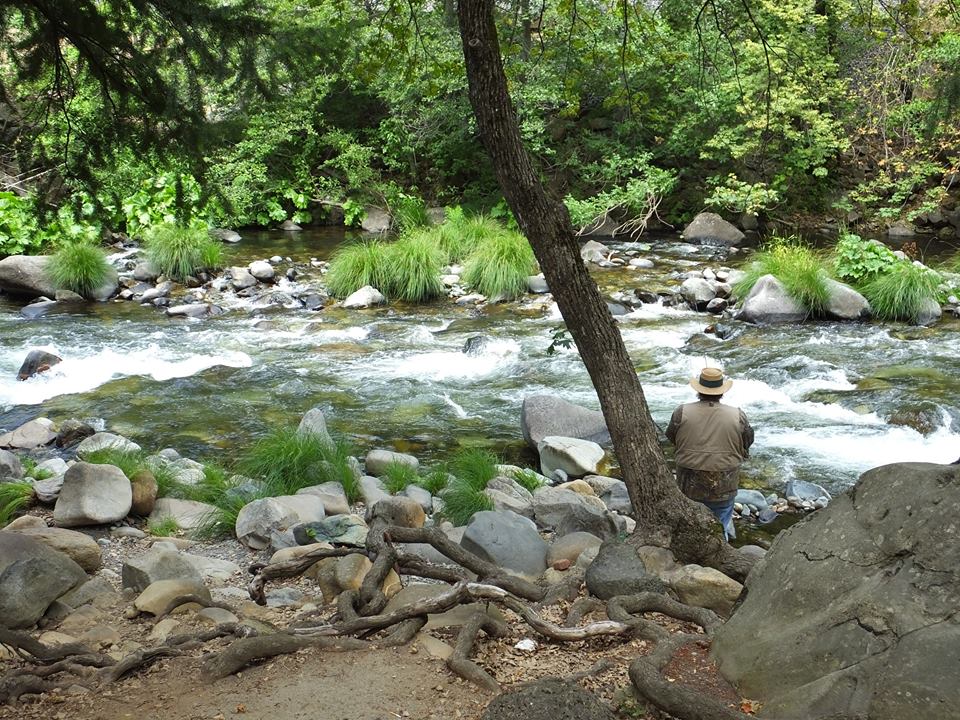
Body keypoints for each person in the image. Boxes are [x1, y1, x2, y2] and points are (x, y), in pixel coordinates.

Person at [666, 367, 754, 541]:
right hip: (725, 483)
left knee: (689, 521)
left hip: (689, 482)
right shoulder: (737, 415)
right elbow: (748, 440)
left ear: (699, 390)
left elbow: (672, 436)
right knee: (720, 522)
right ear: (721, 392)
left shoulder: (681, 412)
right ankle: (720, 550)